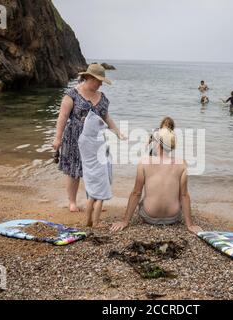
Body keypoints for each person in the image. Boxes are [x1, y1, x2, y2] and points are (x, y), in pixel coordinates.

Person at [53, 63, 126, 212]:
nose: (100, 84)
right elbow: (62, 117)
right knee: (74, 170)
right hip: (74, 137)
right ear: (88, 77)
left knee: (95, 170)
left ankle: (92, 201)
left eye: (101, 81)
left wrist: (117, 132)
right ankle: (72, 202)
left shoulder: (102, 97)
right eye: (98, 80)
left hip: (95, 139)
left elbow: (106, 117)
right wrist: (57, 138)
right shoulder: (72, 94)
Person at [111, 126, 202, 234]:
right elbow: (184, 195)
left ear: (157, 144)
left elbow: (136, 193)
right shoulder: (182, 164)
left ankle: (144, 211)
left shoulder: (144, 162)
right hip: (173, 217)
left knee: (143, 195)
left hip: (149, 216)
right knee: (179, 195)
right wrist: (190, 225)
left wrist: (125, 221)